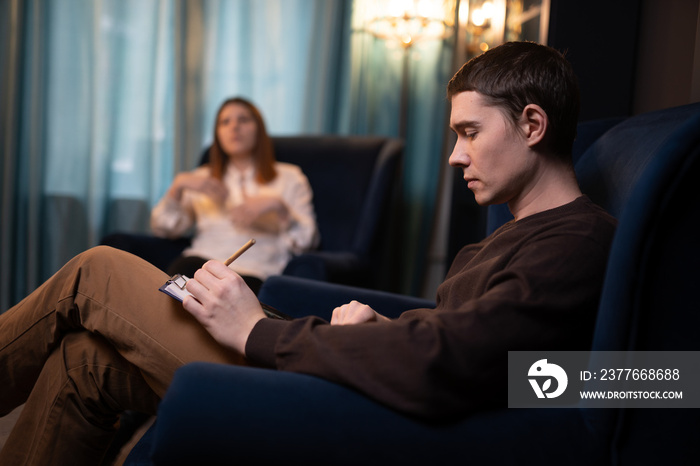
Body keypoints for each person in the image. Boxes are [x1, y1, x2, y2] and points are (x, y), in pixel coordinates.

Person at [0, 41, 617, 465]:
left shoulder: (577, 240)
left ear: (532, 125)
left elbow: (456, 365)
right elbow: (467, 341)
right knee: (86, 360)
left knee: (97, 270)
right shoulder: (516, 234)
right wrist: (386, 326)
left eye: (469, 133)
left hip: (356, 406)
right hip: (356, 373)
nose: (456, 156)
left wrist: (254, 333)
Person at [150, 97, 319, 293]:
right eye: (225, 122)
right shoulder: (200, 178)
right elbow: (163, 229)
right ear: (217, 134)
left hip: (254, 271)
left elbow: (307, 243)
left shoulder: (290, 177)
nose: (234, 127)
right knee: (180, 279)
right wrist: (177, 187)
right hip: (200, 264)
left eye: (244, 120)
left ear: (259, 129)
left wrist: (280, 208)